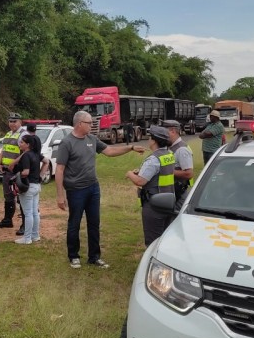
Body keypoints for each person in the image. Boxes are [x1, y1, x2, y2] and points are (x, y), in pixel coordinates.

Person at [55, 110, 146, 269]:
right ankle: (73, 256)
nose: (92, 125)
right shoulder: (67, 143)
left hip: (93, 188)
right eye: (89, 122)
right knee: (74, 223)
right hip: (76, 190)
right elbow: (60, 169)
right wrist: (60, 196)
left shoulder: (92, 139)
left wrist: (130, 147)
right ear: (79, 124)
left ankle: (94, 257)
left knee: (94, 223)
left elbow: (110, 151)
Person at [125, 125, 176, 246]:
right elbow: (161, 173)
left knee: (153, 241)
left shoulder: (153, 159)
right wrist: (142, 171)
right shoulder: (168, 154)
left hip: (154, 204)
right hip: (168, 201)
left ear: (154, 140)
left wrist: (130, 174)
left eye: (149, 138)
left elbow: (140, 182)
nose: (148, 140)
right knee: (164, 238)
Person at [13, 134, 43, 245]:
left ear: (28, 144)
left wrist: (17, 176)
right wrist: (41, 175)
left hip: (28, 187)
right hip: (36, 186)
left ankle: (27, 238)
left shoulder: (26, 156)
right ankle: (35, 235)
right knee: (35, 212)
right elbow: (46, 161)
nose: (20, 144)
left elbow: (26, 172)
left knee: (28, 213)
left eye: (22, 142)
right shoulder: (36, 154)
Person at [0, 113, 24, 229]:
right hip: (7, 170)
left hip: (17, 170)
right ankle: (7, 220)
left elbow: (25, 153)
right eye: (10, 121)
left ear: (20, 122)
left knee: (22, 196)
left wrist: (14, 162)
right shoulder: (8, 134)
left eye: (15, 121)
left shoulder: (23, 135)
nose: (12, 123)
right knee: (8, 195)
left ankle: (25, 224)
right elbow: (4, 149)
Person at [163, 119, 195, 223]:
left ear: (173, 131)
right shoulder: (170, 147)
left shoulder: (182, 149)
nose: (163, 135)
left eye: (164, 132)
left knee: (175, 222)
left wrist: (166, 171)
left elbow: (189, 173)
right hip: (173, 192)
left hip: (179, 193)